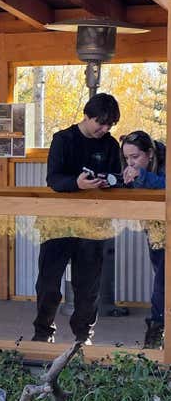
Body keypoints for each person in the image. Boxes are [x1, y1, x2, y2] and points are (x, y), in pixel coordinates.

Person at [32, 93, 122, 344]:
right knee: (49, 283)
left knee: (88, 288)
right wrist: (76, 183)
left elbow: (117, 178)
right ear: (87, 115)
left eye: (109, 125)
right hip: (57, 223)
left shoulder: (111, 145)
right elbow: (53, 179)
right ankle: (42, 333)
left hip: (93, 225)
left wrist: (109, 182)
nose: (104, 129)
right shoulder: (63, 139)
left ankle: (83, 337)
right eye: (100, 123)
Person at [121, 130, 166, 348]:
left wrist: (144, 177)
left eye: (135, 157)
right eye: (127, 158)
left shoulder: (166, 159)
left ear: (149, 153)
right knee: (160, 273)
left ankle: (155, 334)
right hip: (153, 225)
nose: (130, 162)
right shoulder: (135, 167)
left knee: (163, 280)